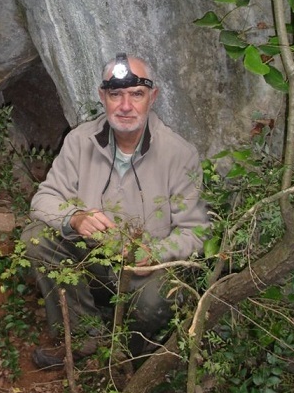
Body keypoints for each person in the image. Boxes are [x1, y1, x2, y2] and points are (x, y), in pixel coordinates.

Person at [22, 53, 210, 369]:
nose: (125, 106)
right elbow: (43, 200)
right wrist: (75, 218)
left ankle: (135, 361)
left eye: (136, 94)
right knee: (37, 238)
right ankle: (85, 340)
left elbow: (196, 231)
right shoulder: (80, 141)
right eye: (116, 94)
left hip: (144, 269)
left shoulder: (179, 154)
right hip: (94, 260)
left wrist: (156, 251)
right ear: (102, 97)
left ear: (153, 96)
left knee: (155, 300)